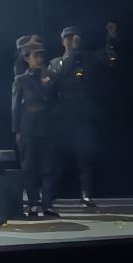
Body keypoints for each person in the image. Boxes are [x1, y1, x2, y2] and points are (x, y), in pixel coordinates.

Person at [48, 25, 102, 210]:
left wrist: (112, 38)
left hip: (82, 116)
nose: (72, 40)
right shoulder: (56, 63)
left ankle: (86, 194)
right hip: (62, 116)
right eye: (68, 37)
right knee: (57, 157)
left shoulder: (86, 58)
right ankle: (50, 193)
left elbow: (110, 57)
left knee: (84, 156)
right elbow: (55, 80)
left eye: (75, 37)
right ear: (62, 41)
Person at [12, 40, 60, 218]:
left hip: (47, 126)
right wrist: (17, 130)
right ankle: (33, 204)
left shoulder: (50, 77)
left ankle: (47, 205)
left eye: (41, 55)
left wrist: (47, 86)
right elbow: (15, 106)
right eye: (35, 56)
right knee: (29, 167)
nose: (39, 59)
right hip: (28, 127)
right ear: (27, 58)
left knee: (48, 167)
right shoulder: (21, 80)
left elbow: (55, 102)